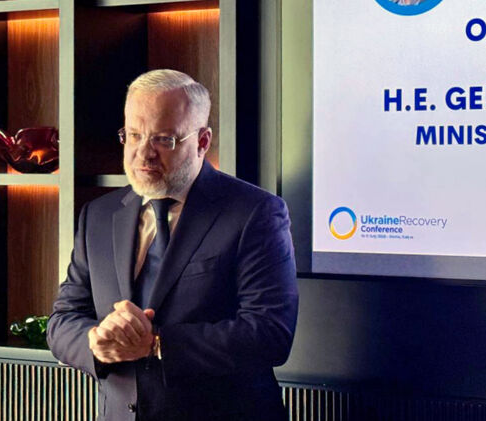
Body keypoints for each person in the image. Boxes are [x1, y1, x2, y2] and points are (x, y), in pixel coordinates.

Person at [47, 69, 299, 421]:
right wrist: (96, 342)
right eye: (133, 135)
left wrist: (156, 344)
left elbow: (270, 334)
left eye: (164, 139)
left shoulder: (254, 213)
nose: (143, 153)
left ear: (202, 142)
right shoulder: (99, 215)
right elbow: (62, 321)